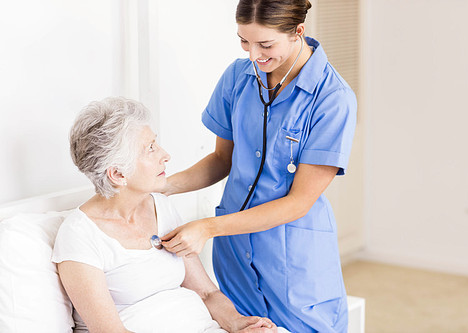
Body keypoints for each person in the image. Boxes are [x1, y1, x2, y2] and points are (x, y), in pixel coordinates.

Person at [160, 0, 357, 332]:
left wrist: (207, 228)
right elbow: (222, 160)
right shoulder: (238, 77)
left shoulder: (332, 98)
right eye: (244, 41)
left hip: (294, 261)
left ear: (298, 32)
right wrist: (160, 186)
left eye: (266, 44)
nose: (254, 55)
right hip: (235, 253)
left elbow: (299, 202)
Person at [51, 97, 279, 333]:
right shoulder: (79, 236)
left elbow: (207, 293)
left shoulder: (160, 207)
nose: (166, 155)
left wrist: (239, 323)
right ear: (118, 174)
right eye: (150, 148)